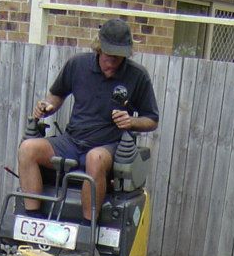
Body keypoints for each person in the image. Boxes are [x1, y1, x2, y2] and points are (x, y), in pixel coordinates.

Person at [18, 18, 159, 226]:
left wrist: (131, 121)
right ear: (99, 48)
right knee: (27, 148)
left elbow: (152, 120)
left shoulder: (138, 76)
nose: (112, 62)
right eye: (109, 56)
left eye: (118, 57)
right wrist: (47, 106)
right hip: (72, 141)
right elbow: (56, 95)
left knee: (95, 158)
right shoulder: (77, 65)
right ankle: (32, 222)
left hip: (108, 146)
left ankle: (87, 228)